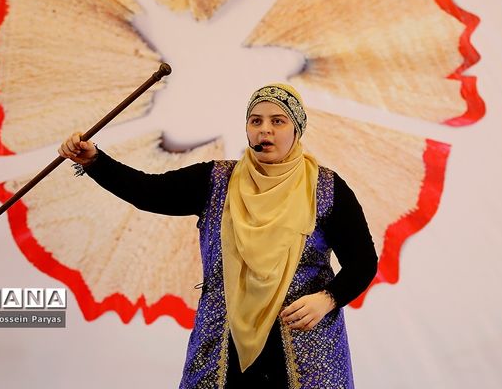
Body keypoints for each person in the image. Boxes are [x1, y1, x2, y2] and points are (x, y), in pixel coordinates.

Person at [59, 84, 378, 388]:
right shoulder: (216, 180)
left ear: (296, 130)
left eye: (278, 121)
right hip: (224, 346)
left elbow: (362, 262)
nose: (265, 130)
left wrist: (327, 299)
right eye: (256, 121)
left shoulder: (326, 189)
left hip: (306, 346)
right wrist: (95, 161)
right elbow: (149, 191)